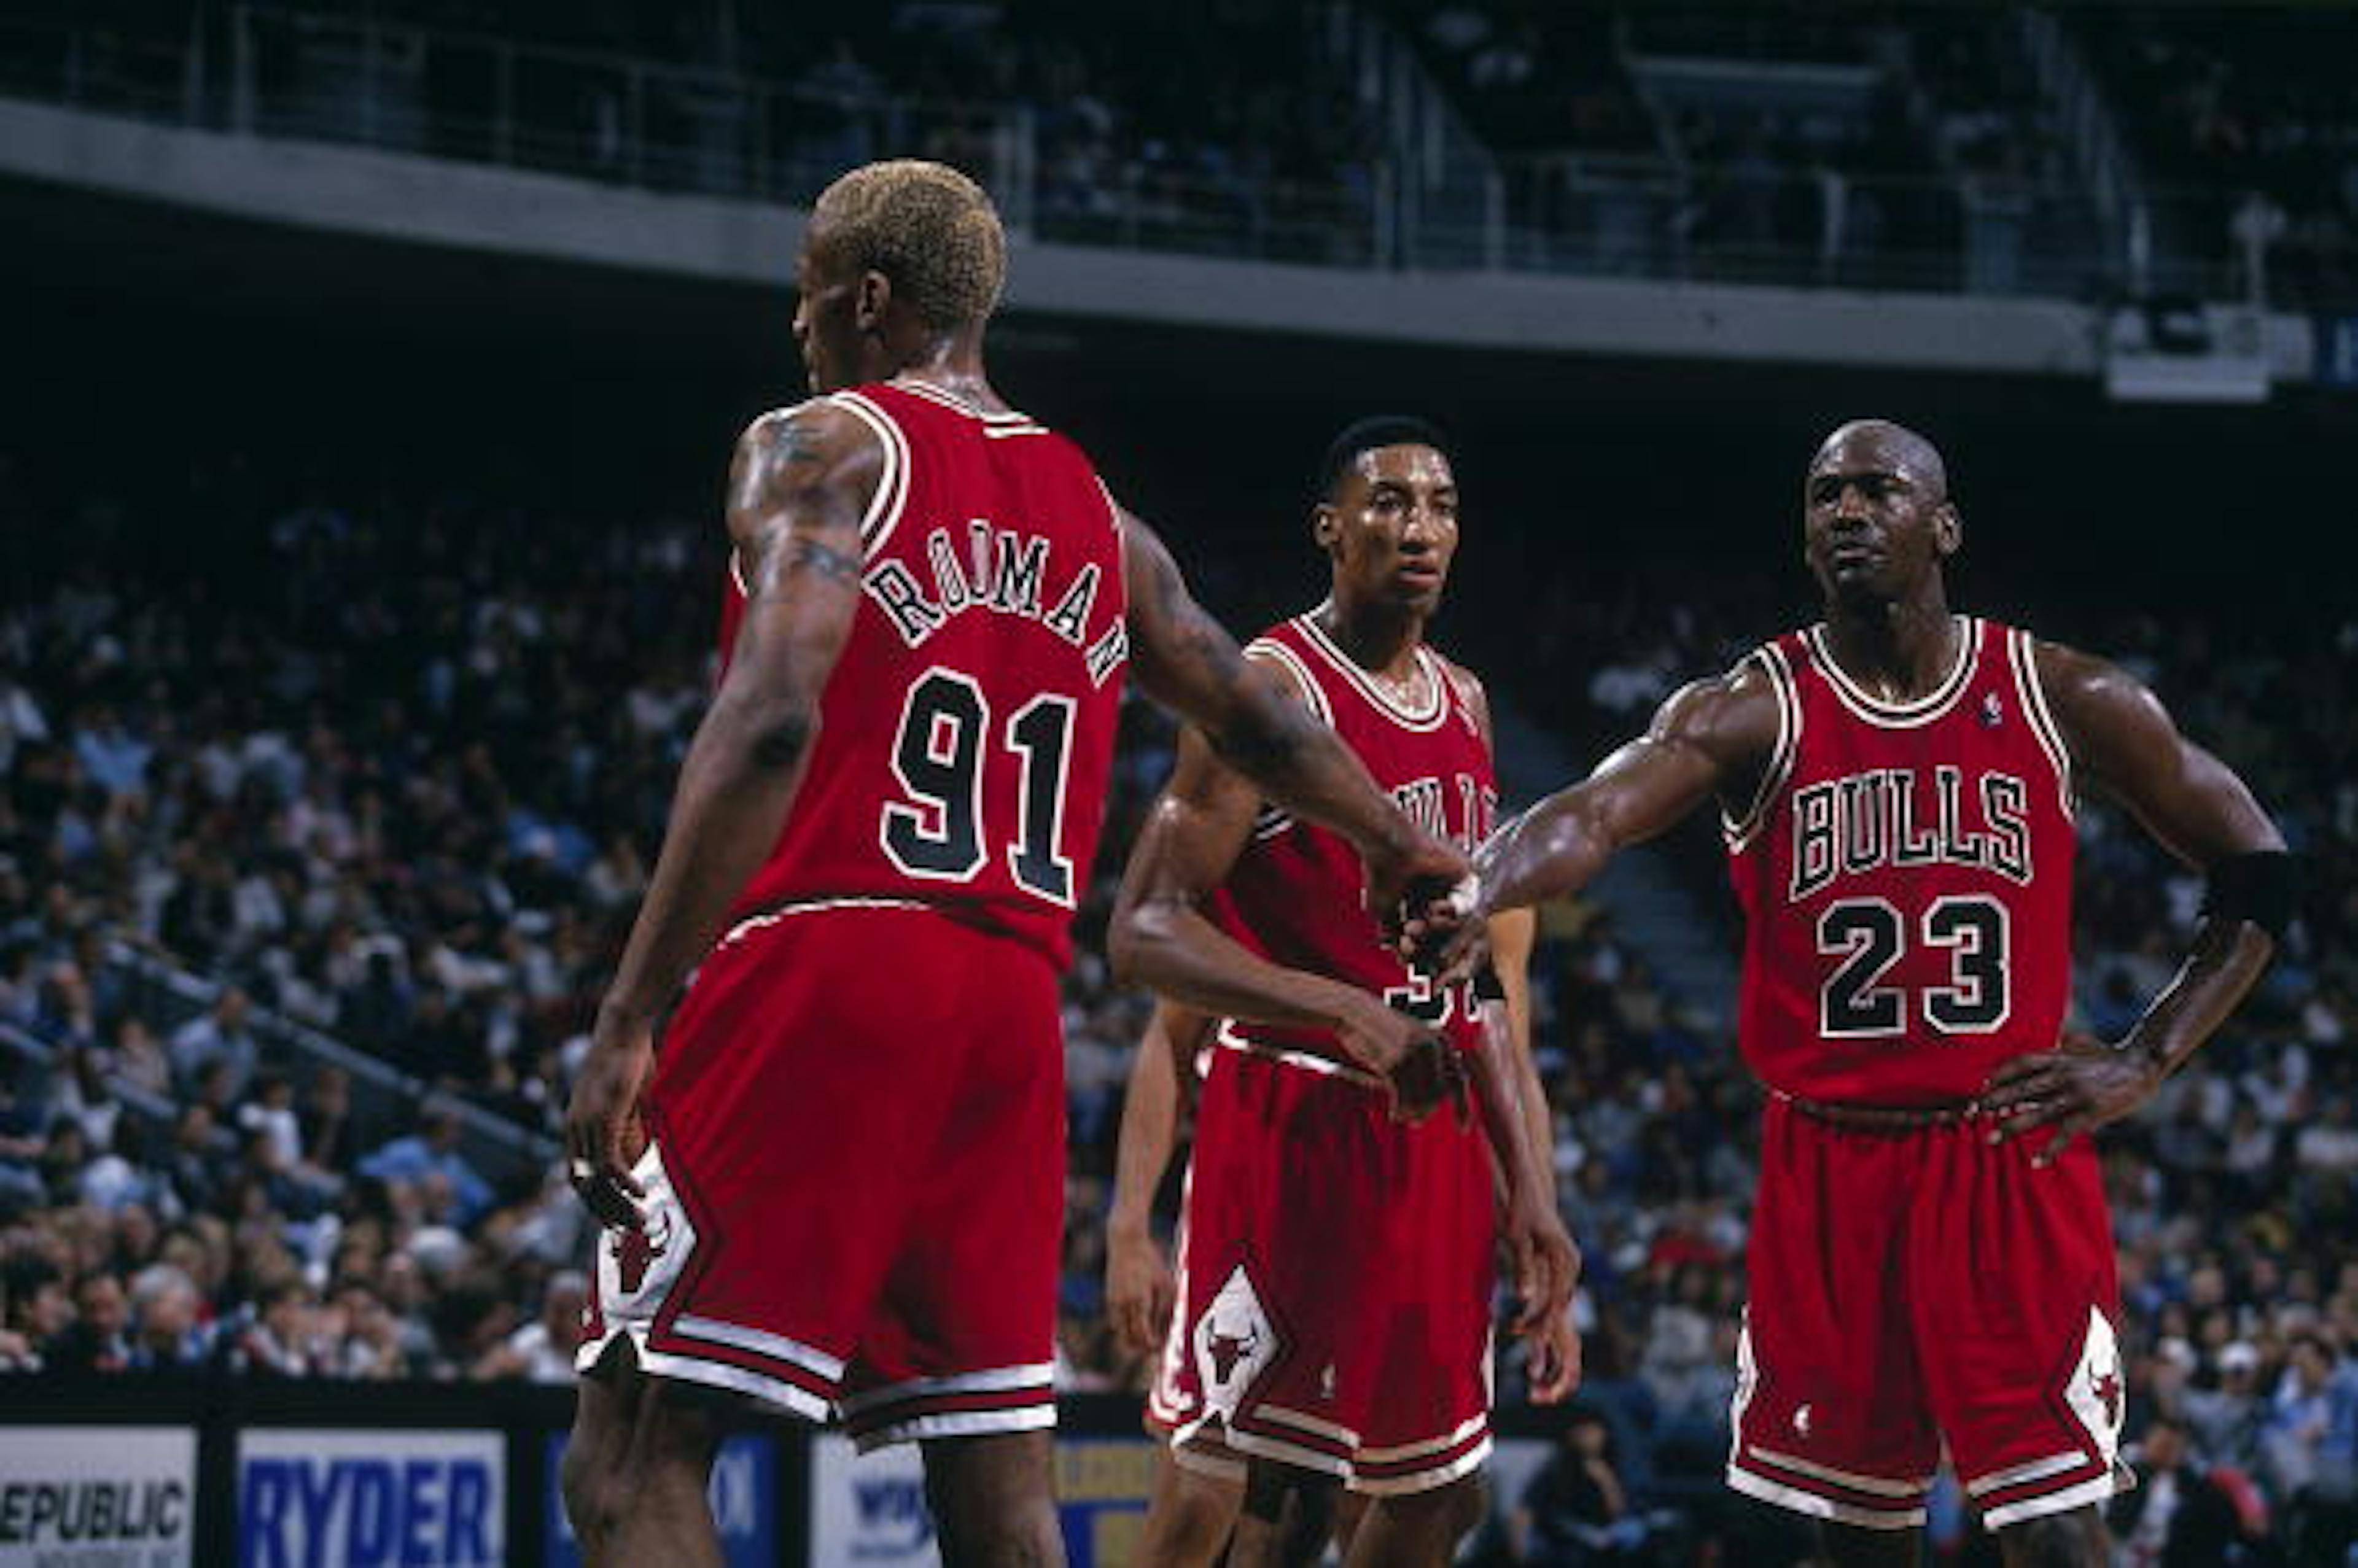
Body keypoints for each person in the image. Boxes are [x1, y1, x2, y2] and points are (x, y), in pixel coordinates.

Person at [556, 162, 1468, 1568]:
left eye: (807, 289)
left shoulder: (821, 446)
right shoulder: (1094, 510)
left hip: (831, 958)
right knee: (997, 1493)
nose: (796, 320)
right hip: (1009, 1011)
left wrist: (629, 1013)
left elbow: (773, 715)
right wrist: (1395, 839)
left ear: (867, 297)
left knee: (630, 1455)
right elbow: (1254, 711)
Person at [1412, 420, 2288, 1566]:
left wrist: (2149, 1055)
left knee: (2058, 1532)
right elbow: (1595, 813)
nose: (1849, 511)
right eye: (1826, 494)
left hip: (2001, 1150)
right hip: (1831, 1158)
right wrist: (1481, 881)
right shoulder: (1751, 706)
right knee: (1855, 1538)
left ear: (1945, 526)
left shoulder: (2059, 692)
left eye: (1880, 489)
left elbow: (2258, 867)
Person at [1108, 418, 1578, 1568]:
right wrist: (1344, 1010)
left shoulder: (1467, 703)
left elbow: (1479, 984)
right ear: (1330, 528)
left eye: (1441, 506)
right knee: (1263, 1497)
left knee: (1438, 1495)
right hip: (1292, 1116)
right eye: (1389, 503)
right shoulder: (1268, 688)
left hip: (1435, 1133)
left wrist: (1532, 1190)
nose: (1420, 528)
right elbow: (1147, 934)